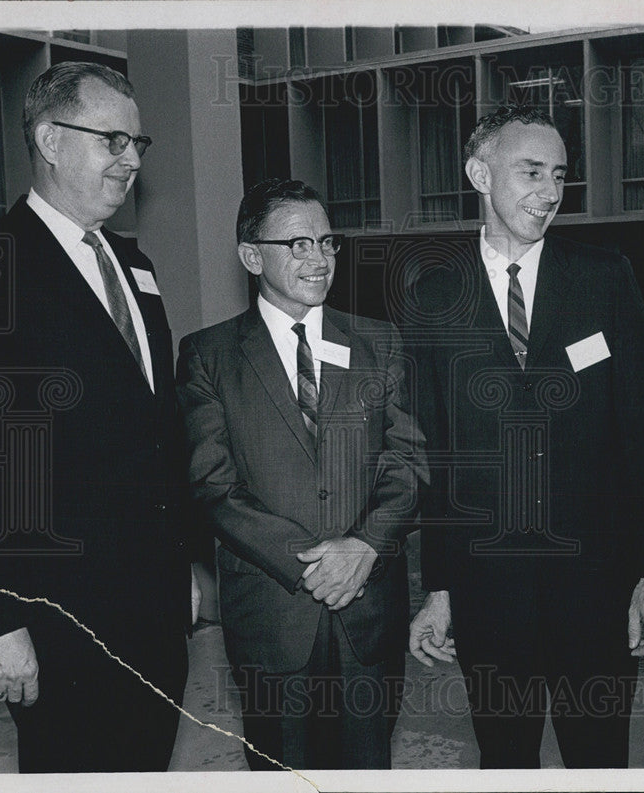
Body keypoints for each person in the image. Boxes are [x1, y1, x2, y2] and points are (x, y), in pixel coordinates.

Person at [404, 105, 644, 768]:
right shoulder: (434, 296)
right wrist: (439, 587)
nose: (550, 192)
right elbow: (435, 457)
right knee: (505, 760)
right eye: (531, 171)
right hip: (487, 594)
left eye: (559, 175)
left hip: (598, 589)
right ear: (478, 172)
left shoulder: (605, 277)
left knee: (601, 759)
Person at [0, 61, 197, 772]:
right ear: (51, 140)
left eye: (137, 144)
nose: (130, 160)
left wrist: (178, 564)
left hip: (152, 607)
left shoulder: (136, 264)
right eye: (113, 140)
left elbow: (156, 425)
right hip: (58, 612)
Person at [176, 178, 427, 770]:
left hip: (367, 612)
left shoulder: (378, 342)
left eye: (326, 242)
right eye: (297, 244)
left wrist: (363, 546)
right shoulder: (207, 354)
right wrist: (313, 565)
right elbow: (213, 483)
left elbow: (409, 462)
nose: (318, 258)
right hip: (271, 616)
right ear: (251, 255)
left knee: (368, 770)